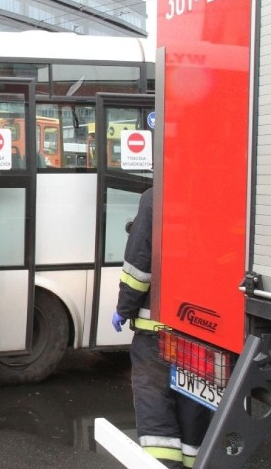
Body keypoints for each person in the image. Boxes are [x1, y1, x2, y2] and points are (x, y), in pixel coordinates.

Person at [112, 188, 212, 468]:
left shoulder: (156, 196)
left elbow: (138, 265)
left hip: (156, 333)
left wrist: (124, 309)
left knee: (155, 404)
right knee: (195, 402)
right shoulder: (216, 191)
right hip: (204, 329)